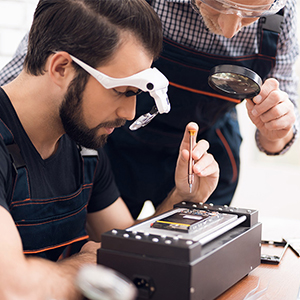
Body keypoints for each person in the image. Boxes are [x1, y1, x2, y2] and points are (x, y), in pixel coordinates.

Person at [0, 1, 219, 299]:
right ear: (62, 67)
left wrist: (182, 199)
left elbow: (129, 248)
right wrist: (92, 262)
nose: (130, 112)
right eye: (121, 91)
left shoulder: (84, 144)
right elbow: (11, 287)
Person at [0, 0, 298, 219]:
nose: (229, 31)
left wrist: (277, 127)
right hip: (110, 144)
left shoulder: (282, 17)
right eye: (218, 5)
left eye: (252, 15)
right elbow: (34, 72)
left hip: (200, 154)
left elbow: (124, 249)